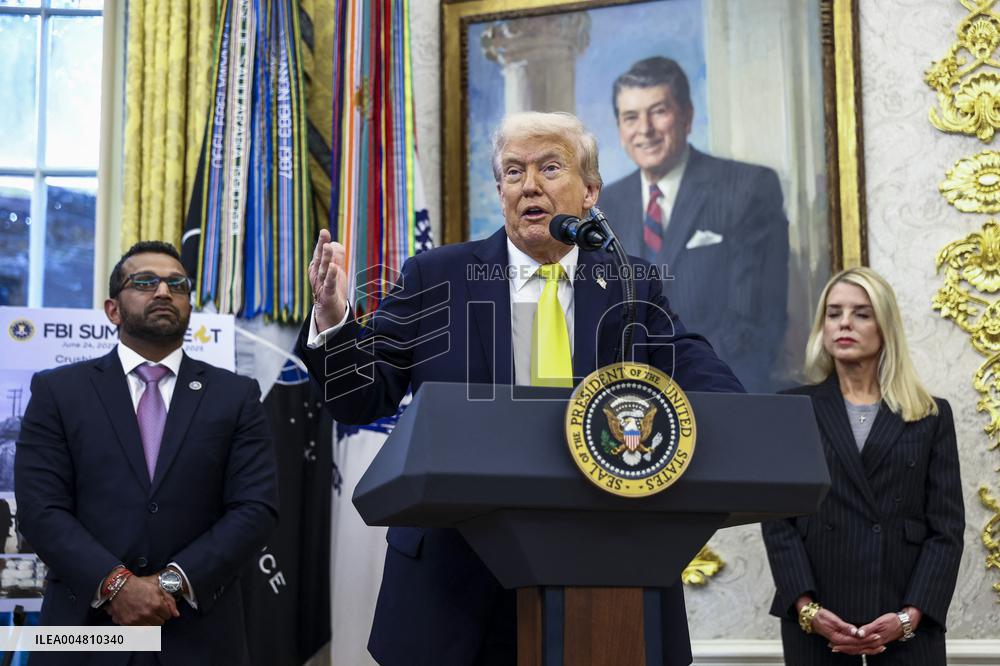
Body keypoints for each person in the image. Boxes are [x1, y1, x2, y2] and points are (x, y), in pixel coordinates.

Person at [297, 111, 744, 666]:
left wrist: (744, 426)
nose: (528, 185)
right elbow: (360, 396)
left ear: (590, 193)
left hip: (604, 576)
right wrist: (334, 319)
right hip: (455, 584)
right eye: (513, 172)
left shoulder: (631, 283)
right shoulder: (437, 277)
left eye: (549, 168)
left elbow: (698, 372)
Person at [15, 241, 279, 665]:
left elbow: (256, 509)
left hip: (198, 634)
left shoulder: (235, 396)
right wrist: (117, 586)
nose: (163, 292)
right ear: (113, 309)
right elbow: (40, 509)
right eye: (144, 282)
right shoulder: (58, 392)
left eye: (177, 284)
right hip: (85, 632)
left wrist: (169, 585)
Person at [761, 267, 964, 664]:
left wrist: (909, 617)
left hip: (906, 623)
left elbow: (947, 531)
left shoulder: (930, 415)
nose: (844, 324)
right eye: (834, 313)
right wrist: (808, 610)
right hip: (818, 620)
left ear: (885, 326)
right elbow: (777, 522)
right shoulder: (794, 409)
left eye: (861, 313)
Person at [599, 56, 790, 393]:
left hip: (719, 396)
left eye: (658, 111)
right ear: (619, 129)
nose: (645, 130)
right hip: (627, 402)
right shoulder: (604, 205)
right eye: (631, 117)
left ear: (686, 116)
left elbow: (753, 323)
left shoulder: (747, 188)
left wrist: (679, 388)